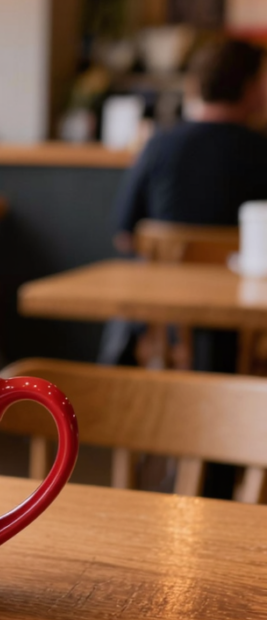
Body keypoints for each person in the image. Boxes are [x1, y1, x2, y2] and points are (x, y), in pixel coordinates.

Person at [107, 38, 267, 374]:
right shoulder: (261, 151)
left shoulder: (160, 145)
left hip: (169, 331)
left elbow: (125, 235)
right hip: (249, 332)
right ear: (251, 87)